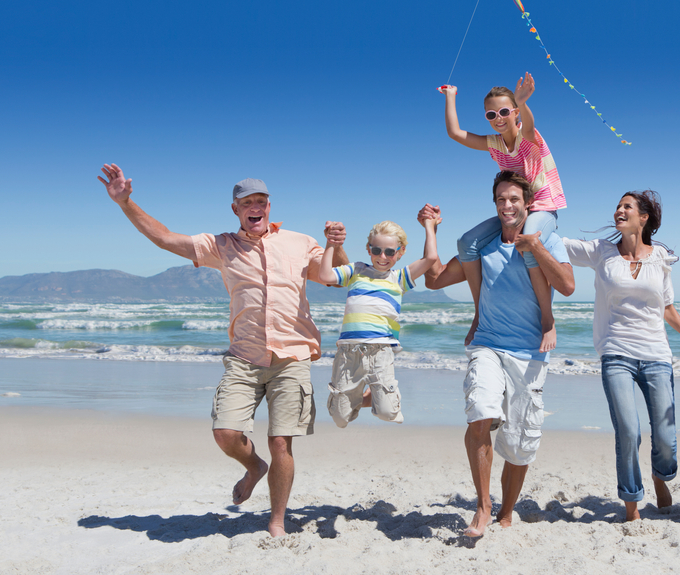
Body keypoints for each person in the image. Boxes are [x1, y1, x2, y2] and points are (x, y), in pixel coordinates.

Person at [98, 164, 348, 537]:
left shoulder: (298, 242)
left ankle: (276, 521)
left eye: (260, 200)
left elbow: (336, 277)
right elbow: (165, 238)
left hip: (292, 358)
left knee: (281, 441)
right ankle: (254, 467)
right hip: (244, 359)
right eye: (247, 202)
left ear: (269, 205)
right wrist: (125, 203)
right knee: (225, 433)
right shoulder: (220, 246)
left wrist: (336, 246)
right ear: (235, 209)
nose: (255, 207)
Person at [423, 171, 575, 537]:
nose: (507, 206)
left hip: (530, 353)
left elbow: (568, 286)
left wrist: (535, 245)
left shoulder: (549, 241)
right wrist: (430, 230)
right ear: (495, 205)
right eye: (501, 200)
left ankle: (506, 512)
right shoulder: (484, 249)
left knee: (521, 443)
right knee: (480, 415)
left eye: (514, 200)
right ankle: (483, 506)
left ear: (527, 204)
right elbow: (435, 279)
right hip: (487, 344)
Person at [563, 191, 680, 521]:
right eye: (618, 206)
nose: (619, 210)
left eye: (628, 206)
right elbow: (558, 244)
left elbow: (666, 307)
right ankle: (631, 504)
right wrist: (530, 212)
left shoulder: (661, 257)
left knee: (666, 439)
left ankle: (660, 476)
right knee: (628, 430)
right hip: (616, 352)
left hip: (656, 354)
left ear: (644, 218)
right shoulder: (601, 252)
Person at [439, 74, 567, 354]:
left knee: (528, 241)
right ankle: (479, 314)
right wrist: (451, 96)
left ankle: (547, 319)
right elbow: (456, 133)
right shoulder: (494, 143)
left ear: (515, 113)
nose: (498, 117)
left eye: (505, 111)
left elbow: (531, 128)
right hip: (513, 211)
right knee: (467, 243)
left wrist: (523, 103)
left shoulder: (527, 136)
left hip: (542, 207)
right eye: (491, 113)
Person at [319, 210, 439, 428]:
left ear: (400, 252)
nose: (382, 257)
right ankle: (361, 396)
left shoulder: (400, 278)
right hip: (349, 353)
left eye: (390, 252)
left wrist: (429, 225)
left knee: (387, 413)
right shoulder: (356, 270)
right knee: (340, 419)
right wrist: (330, 244)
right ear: (368, 249)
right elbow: (325, 276)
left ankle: (380, 397)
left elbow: (430, 258)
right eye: (376, 250)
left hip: (380, 352)